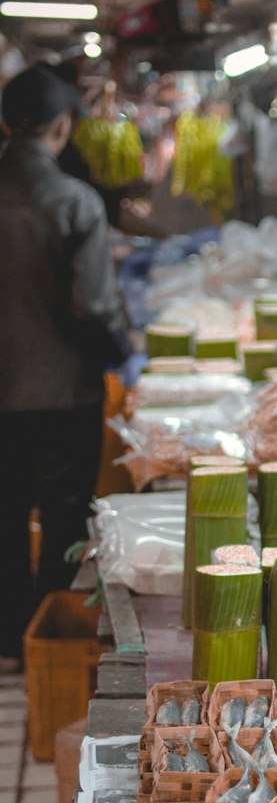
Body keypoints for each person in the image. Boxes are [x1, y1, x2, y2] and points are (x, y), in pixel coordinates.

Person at [0, 64, 135, 670]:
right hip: (62, 393)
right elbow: (92, 304)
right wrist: (119, 351)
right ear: (63, 127)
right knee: (60, 523)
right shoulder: (74, 202)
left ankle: (5, 644)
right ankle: (45, 643)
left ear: (5, 124)